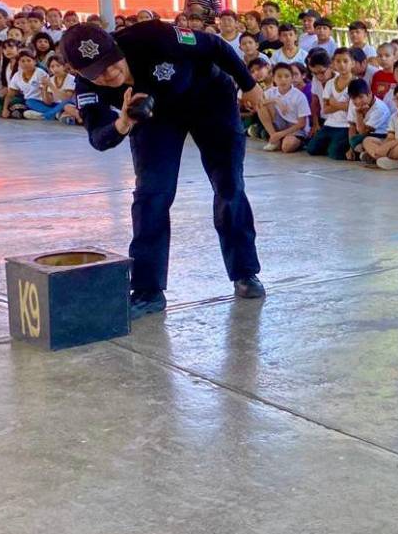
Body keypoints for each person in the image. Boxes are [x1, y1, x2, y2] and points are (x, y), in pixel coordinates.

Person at [60, 21, 265, 317]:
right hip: (154, 120)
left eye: (111, 61)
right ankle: (147, 289)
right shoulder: (87, 87)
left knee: (229, 185)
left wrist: (249, 84)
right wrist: (123, 123)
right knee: (151, 196)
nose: (111, 72)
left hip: (209, 99)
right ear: (79, 73)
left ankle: (245, 272)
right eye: (98, 72)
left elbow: (215, 45)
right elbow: (98, 137)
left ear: (116, 45)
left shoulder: (154, 35)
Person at [305, 48, 354, 160]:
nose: (319, 76)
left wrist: (334, 104)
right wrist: (342, 105)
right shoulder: (330, 84)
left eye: (345, 61)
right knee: (311, 149)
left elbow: (353, 108)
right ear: (334, 63)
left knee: (335, 154)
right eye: (338, 61)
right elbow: (325, 109)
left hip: (346, 125)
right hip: (330, 123)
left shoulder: (355, 82)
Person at [256, 62, 311, 153]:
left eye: (286, 76)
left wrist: (281, 134)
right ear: (273, 78)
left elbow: (302, 123)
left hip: (295, 128)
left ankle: (286, 139)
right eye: (279, 76)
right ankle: (275, 138)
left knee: (286, 148)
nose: (283, 80)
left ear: (292, 78)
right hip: (279, 125)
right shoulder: (271, 92)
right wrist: (276, 100)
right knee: (262, 106)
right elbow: (259, 104)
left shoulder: (299, 96)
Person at [347, 78, 392, 160]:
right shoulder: (352, 102)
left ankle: (374, 154)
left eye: (361, 97)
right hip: (363, 135)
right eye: (354, 98)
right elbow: (352, 126)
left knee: (360, 140)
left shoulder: (380, 108)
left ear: (369, 94)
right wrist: (351, 148)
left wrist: (358, 113)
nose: (358, 101)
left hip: (381, 136)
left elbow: (362, 132)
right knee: (347, 144)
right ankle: (367, 153)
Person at [4, 48, 49, 120]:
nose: (26, 63)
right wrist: (4, 109)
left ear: (34, 62)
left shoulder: (40, 73)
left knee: (29, 102)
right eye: (22, 61)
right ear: (18, 63)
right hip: (27, 102)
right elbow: (10, 94)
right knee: (13, 104)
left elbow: (46, 93)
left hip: (43, 102)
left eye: (29, 60)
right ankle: (41, 114)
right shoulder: (17, 75)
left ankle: (50, 113)